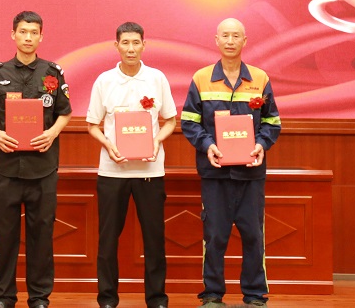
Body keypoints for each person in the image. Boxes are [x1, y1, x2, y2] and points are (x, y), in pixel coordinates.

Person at [180, 18, 282, 307]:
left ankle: (255, 294)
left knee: (253, 235)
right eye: (225, 35)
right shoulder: (201, 78)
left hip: (250, 173)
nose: (230, 41)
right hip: (215, 173)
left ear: (244, 41)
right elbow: (189, 121)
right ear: (216, 40)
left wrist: (261, 145)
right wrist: (207, 145)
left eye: (236, 36)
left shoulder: (260, 78)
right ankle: (212, 294)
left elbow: (272, 121)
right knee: (214, 236)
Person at [0, 11, 72, 308]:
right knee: (4, 238)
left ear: (41, 36)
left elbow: (65, 113)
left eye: (33, 32)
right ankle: (4, 296)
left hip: (43, 169)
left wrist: (52, 133)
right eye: (23, 32)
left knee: (41, 238)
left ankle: (39, 297)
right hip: (6, 170)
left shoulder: (53, 73)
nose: (28, 37)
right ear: (13, 35)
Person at [86, 21, 176, 308]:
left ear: (143, 45)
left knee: (154, 239)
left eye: (136, 42)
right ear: (116, 46)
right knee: (108, 239)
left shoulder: (157, 78)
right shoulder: (104, 81)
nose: (131, 48)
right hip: (112, 172)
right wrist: (108, 145)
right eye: (125, 43)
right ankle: (107, 299)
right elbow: (92, 125)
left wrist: (156, 141)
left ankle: (157, 299)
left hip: (150, 171)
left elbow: (170, 120)